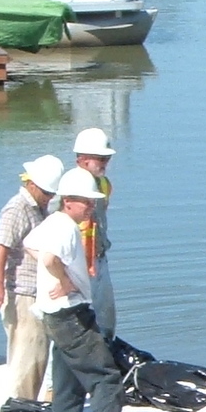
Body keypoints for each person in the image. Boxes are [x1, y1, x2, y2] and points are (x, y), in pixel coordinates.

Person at [23, 168, 138, 412]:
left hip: (54, 318)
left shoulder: (52, 223)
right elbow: (48, 258)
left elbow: (30, 245)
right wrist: (64, 280)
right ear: (69, 201)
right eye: (86, 202)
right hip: (71, 314)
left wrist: (56, 276)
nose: (90, 207)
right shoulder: (65, 228)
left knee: (68, 382)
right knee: (106, 377)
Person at [0, 154, 64, 402]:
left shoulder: (40, 208)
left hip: (36, 292)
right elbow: (2, 246)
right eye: (46, 192)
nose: (49, 197)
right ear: (32, 184)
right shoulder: (17, 208)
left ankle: (28, 407)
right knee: (26, 357)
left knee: (38, 356)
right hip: (22, 292)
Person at [71, 127, 117, 337]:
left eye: (106, 158)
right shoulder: (70, 187)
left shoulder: (103, 184)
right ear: (82, 158)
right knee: (78, 323)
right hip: (77, 264)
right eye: (101, 158)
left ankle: (106, 359)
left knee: (106, 319)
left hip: (98, 259)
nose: (105, 163)